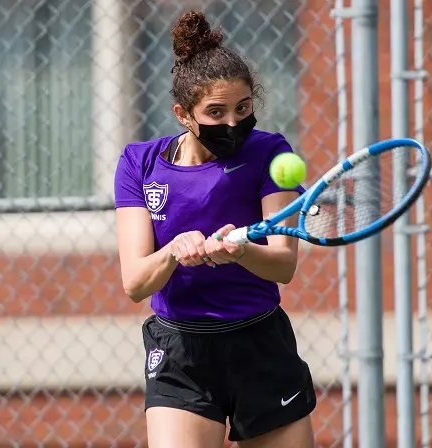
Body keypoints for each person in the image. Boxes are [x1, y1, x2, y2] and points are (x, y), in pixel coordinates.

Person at [113, 10, 317, 448]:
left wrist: (240, 250)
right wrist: (172, 251)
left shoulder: (269, 153)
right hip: (180, 352)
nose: (232, 123)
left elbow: (283, 265)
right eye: (216, 112)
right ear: (183, 114)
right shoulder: (139, 164)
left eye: (243, 108)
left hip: (260, 345)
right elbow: (134, 283)